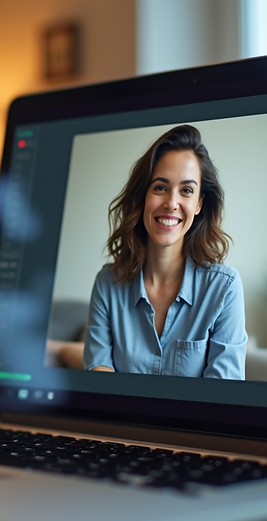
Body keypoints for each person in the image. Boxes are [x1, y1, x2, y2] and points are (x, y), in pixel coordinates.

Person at [84, 124, 246, 378]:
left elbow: (221, 399)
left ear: (199, 204)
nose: (171, 203)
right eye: (160, 187)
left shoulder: (225, 289)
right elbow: (98, 370)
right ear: (143, 197)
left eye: (186, 191)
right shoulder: (108, 283)